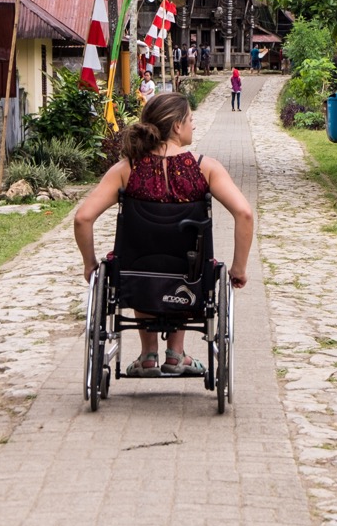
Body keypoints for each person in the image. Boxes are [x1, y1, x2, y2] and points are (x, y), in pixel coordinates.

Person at [74, 93, 254, 377]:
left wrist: (90, 264)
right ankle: (176, 354)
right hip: (190, 277)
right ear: (177, 126)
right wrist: (239, 268)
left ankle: (148, 356)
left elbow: (83, 218)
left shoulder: (126, 170)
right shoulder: (206, 168)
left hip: (136, 275)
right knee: (187, 264)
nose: (194, 124)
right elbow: (244, 213)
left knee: (144, 262)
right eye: (191, 119)